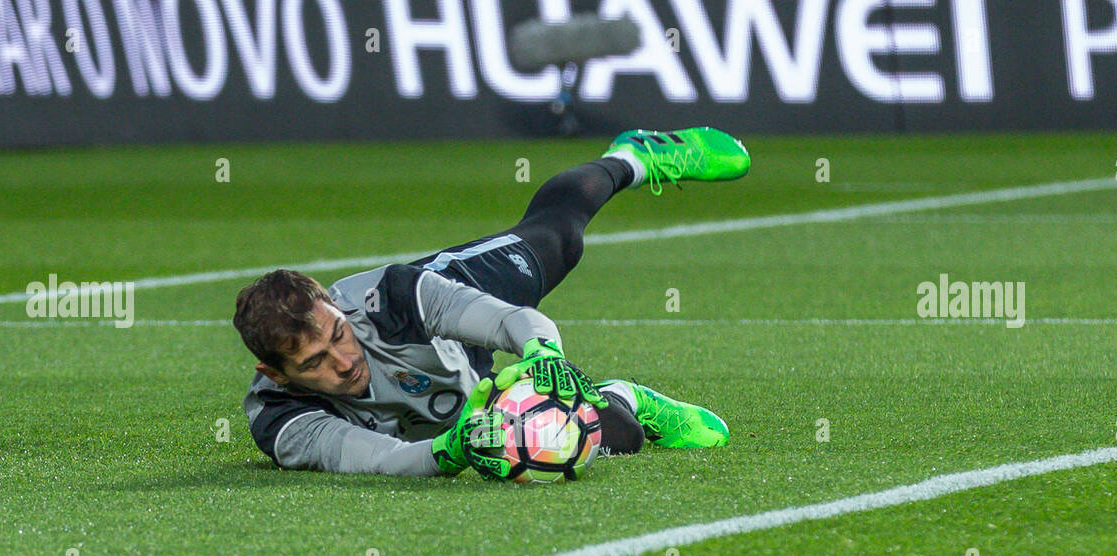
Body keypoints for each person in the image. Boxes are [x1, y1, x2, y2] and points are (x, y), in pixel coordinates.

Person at [231, 126, 750, 477]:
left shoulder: (390, 297)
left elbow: (512, 322)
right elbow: (382, 460)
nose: (343, 362)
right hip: (455, 408)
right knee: (622, 435)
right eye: (314, 362)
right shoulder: (280, 417)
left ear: (336, 309)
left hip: (448, 312)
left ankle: (630, 157)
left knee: (557, 238)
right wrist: (449, 451)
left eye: (338, 335)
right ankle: (628, 396)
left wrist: (541, 352)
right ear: (276, 373)